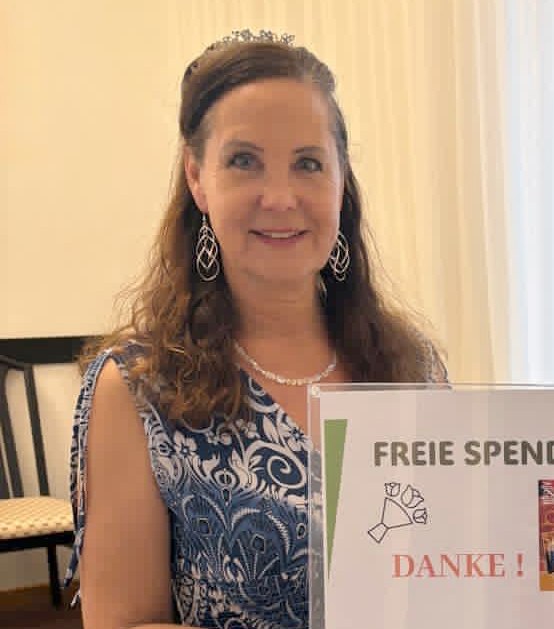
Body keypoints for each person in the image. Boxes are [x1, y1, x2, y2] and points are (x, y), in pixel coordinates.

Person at [65, 30, 446, 629]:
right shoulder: (138, 388)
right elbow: (122, 622)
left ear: (341, 181)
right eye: (244, 161)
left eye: (308, 164)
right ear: (198, 178)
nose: (280, 196)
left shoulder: (414, 366)